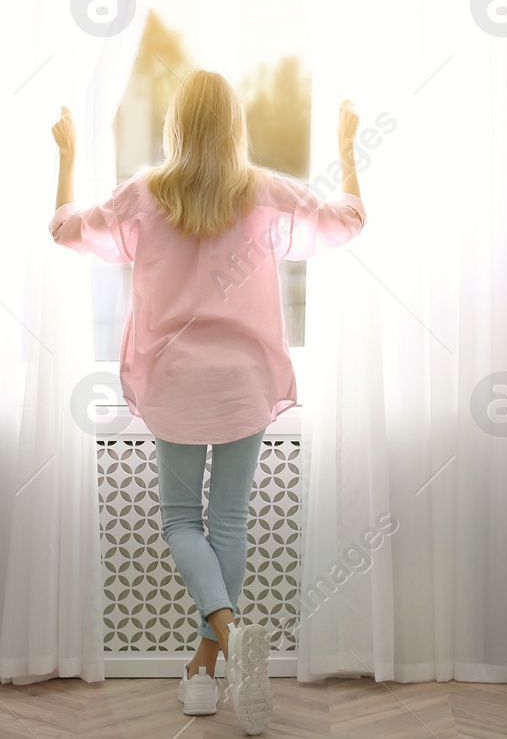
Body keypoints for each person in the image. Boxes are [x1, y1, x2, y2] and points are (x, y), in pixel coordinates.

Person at [48, 70, 366, 734]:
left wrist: (68, 153)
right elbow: (346, 221)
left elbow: (68, 230)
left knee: (178, 521)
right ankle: (213, 658)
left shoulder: (144, 195)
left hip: (176, 381)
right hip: (245, 380)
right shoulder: (265, 193)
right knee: (228, 523)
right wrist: (347, 147)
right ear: (234, 128)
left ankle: (215, 647)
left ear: (176, 127)